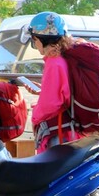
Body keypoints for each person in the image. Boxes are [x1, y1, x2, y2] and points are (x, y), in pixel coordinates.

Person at [20, 11, 76, 153]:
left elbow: (50, 104)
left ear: (42, 39)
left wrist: (35, 114)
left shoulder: (54, 62)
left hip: (58, 132)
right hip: (69, 128)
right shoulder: (63, 58)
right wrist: (44, 91)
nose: (35, 44)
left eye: (34, 40)